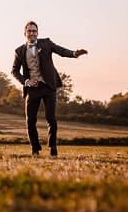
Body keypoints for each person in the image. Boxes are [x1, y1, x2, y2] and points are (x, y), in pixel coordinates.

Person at [11, 21, 88, 157]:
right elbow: (14, 71)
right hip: (32, 89)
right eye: (29, 31)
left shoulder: (46, 43)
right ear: (25, 34)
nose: (32, 33)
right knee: (30, 120)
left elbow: (61, 50)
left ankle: (53, 148)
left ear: (38, 33)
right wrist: (26, 81)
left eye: (34, 31)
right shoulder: (19, 51)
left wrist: (74, 53)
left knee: (51, 118)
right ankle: (35, 149)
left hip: (48, 86)